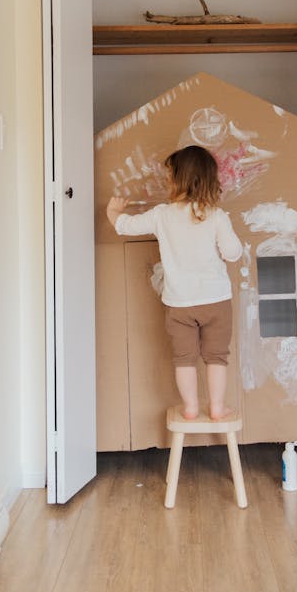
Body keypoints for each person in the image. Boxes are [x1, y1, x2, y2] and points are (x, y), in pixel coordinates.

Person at [107, 145, 243, 421]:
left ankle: (191, 407)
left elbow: (126, 226)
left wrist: (113, 211)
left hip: (179, 304)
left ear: (179, 180)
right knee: (217, 357)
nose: (166, 181)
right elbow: (233, 253)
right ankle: (217, 407)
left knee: (184, 359)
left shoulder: (162, 215)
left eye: (169, 176)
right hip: (216, 301)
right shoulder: (217, 216)